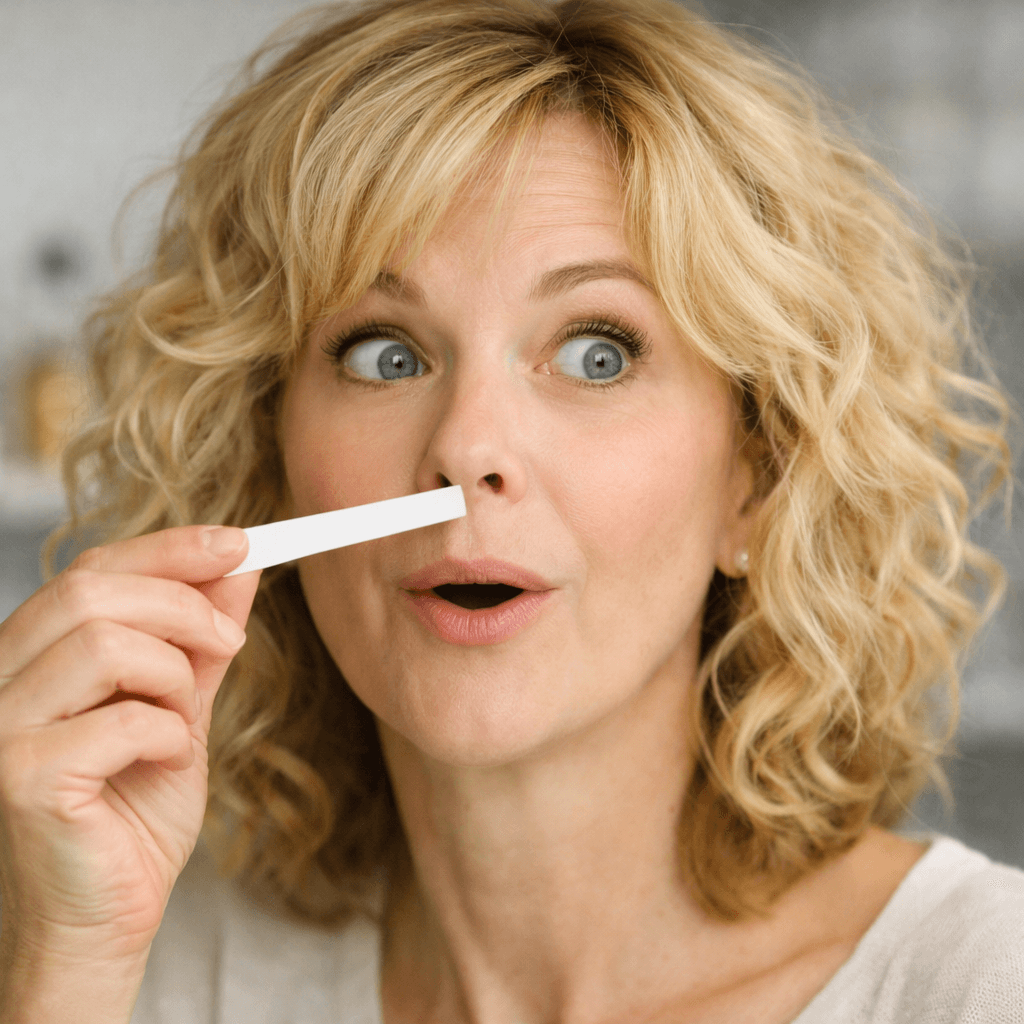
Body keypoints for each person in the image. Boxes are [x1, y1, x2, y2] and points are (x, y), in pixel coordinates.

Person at [1, 0, 1022, 1021]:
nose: (467, 445)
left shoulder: (979, 984)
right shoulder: (151, 969)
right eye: (384, 355)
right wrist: (67, 966)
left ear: (755, 483)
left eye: (596, 353)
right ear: (266, 456)